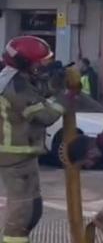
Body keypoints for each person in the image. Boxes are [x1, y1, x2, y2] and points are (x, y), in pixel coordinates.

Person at [0, 36, 71, 243]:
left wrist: (54, 82)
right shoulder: (16, 88)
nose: (42, 65)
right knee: (22, 213)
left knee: (34, 208)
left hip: (23, 154)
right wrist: (67, 95)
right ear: (24, 62)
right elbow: (45, 116)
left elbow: (39, 95)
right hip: (15, 157)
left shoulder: (16, 79)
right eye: (39, 62)